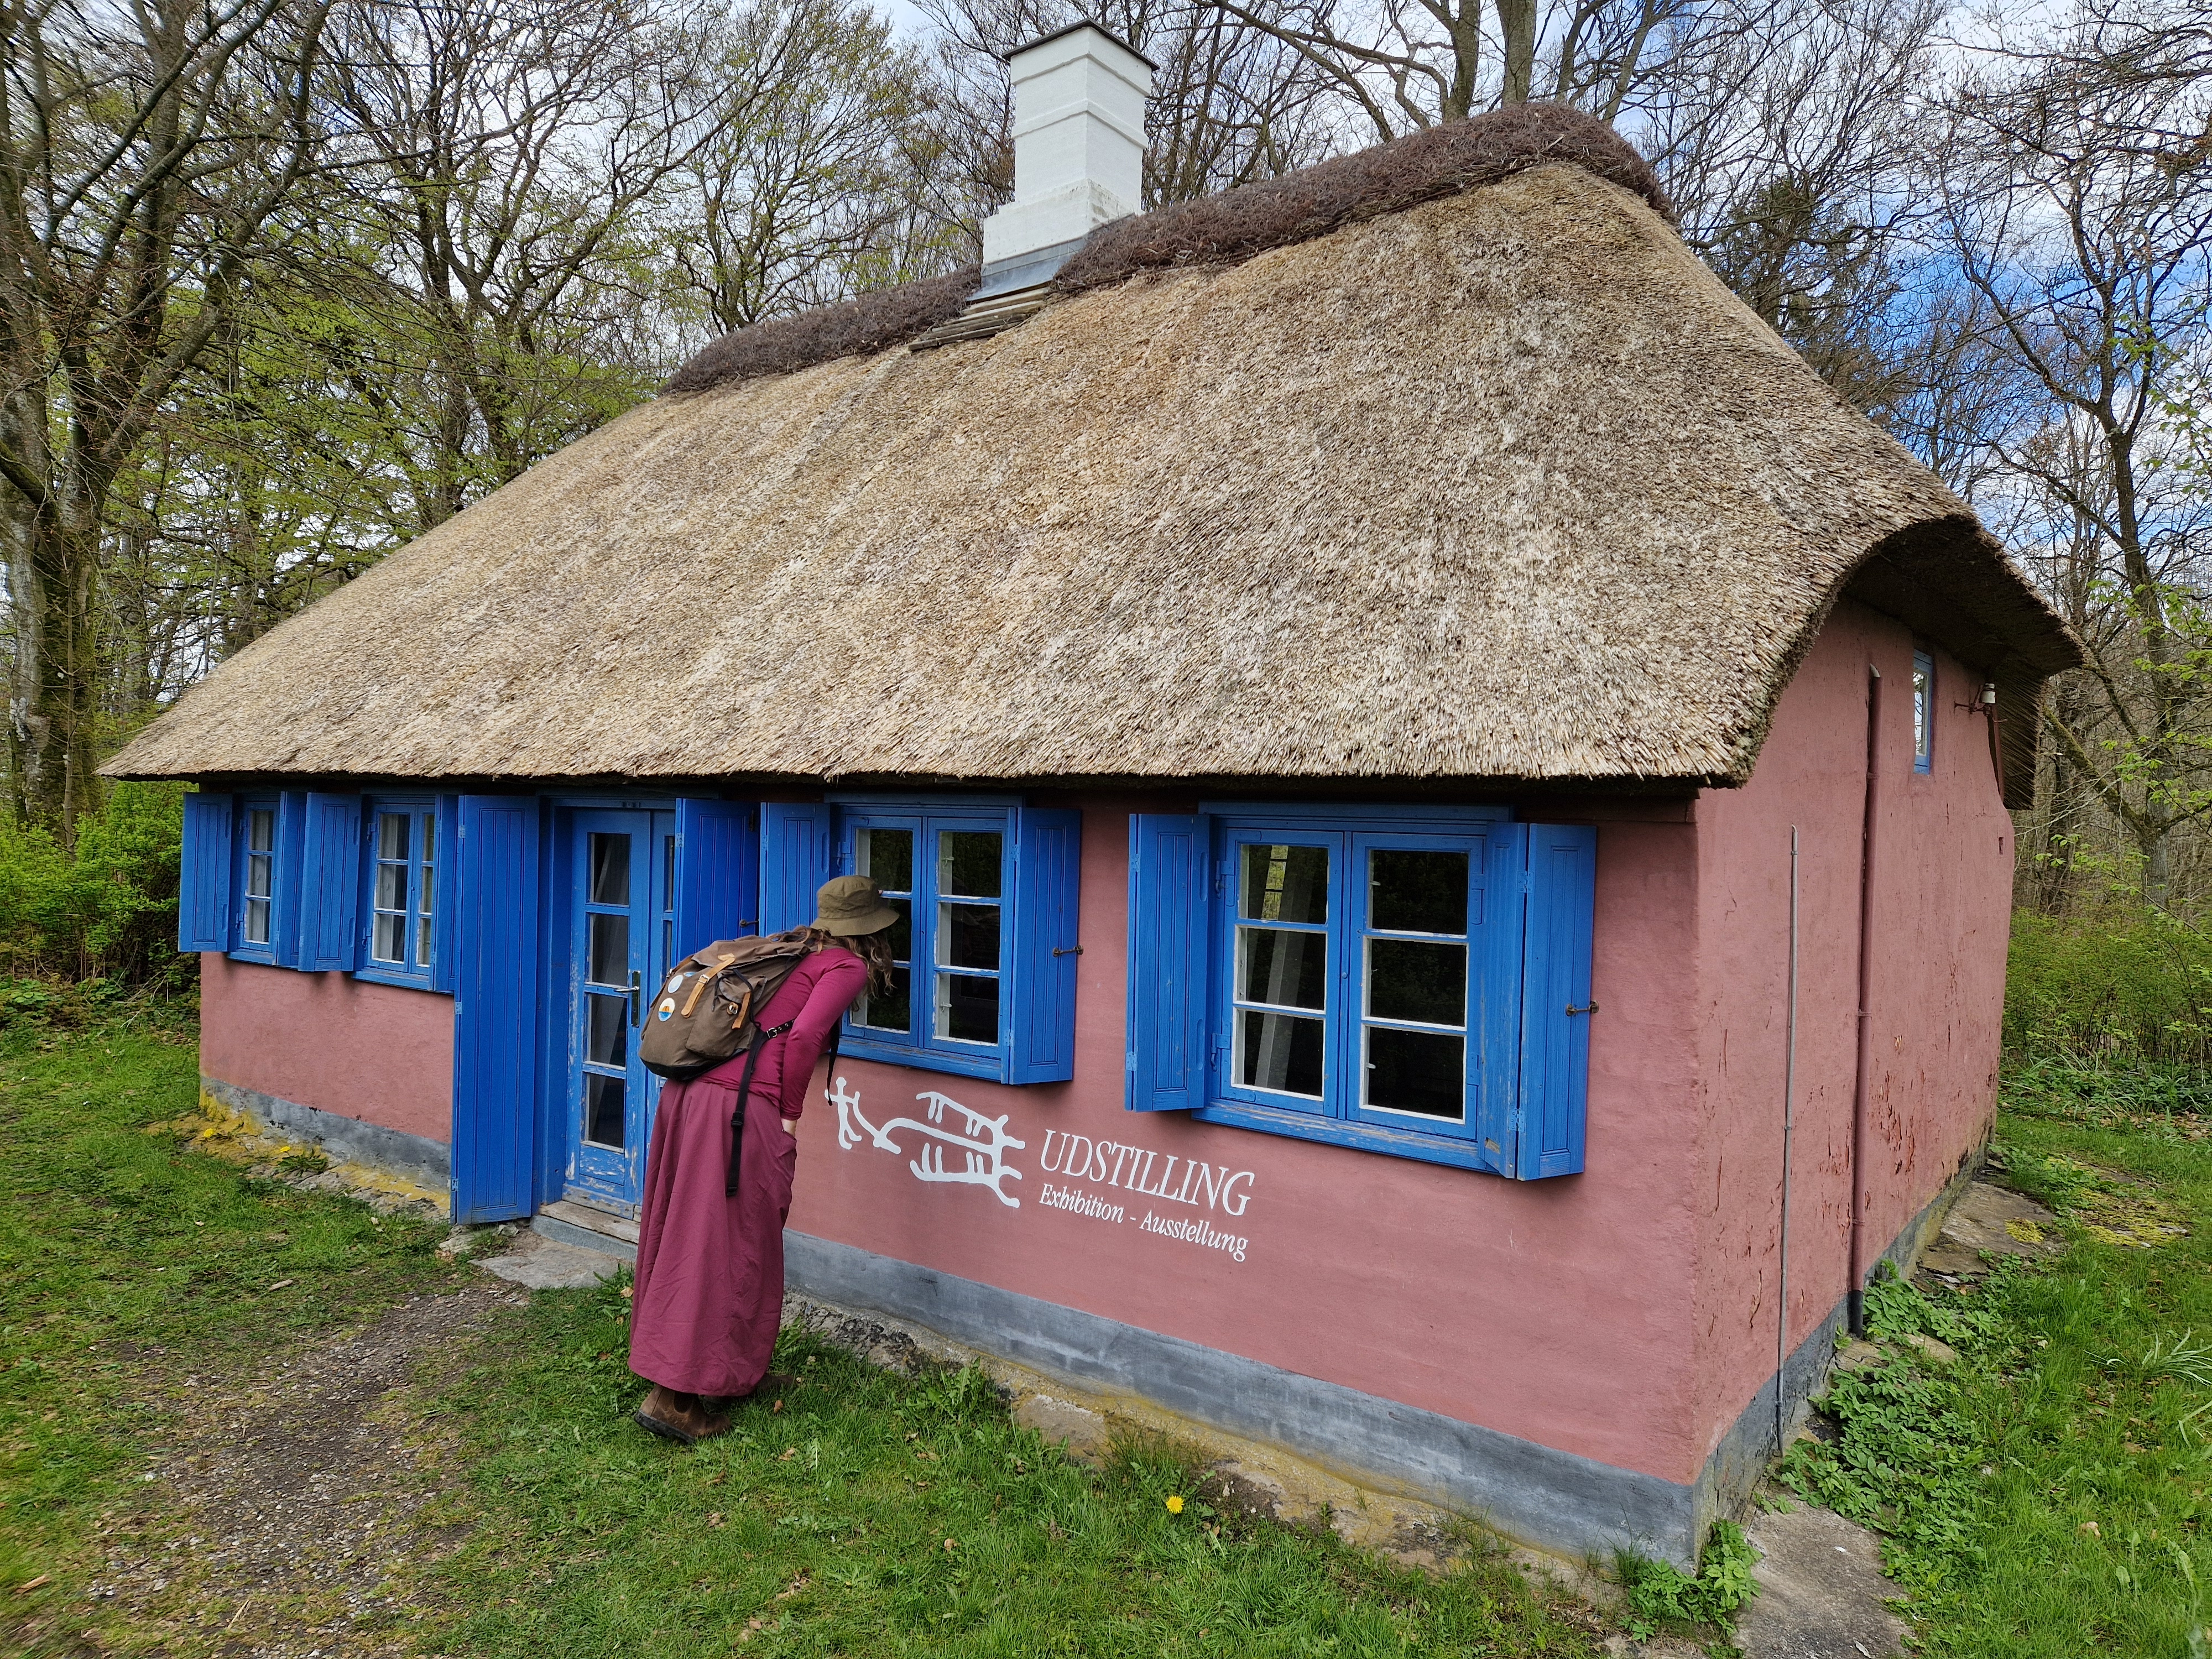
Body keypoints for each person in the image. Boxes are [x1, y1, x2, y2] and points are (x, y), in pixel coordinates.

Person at [628, 874, 899, 1443]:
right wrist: (790, 1112)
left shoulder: (786, 948)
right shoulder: (844, 968)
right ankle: (673, 1399)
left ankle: (725, 1370)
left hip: (688, 1098)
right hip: (736, 1110)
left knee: (691, 1231)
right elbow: (802, 1041)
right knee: (722, 1242)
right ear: (871, 930)